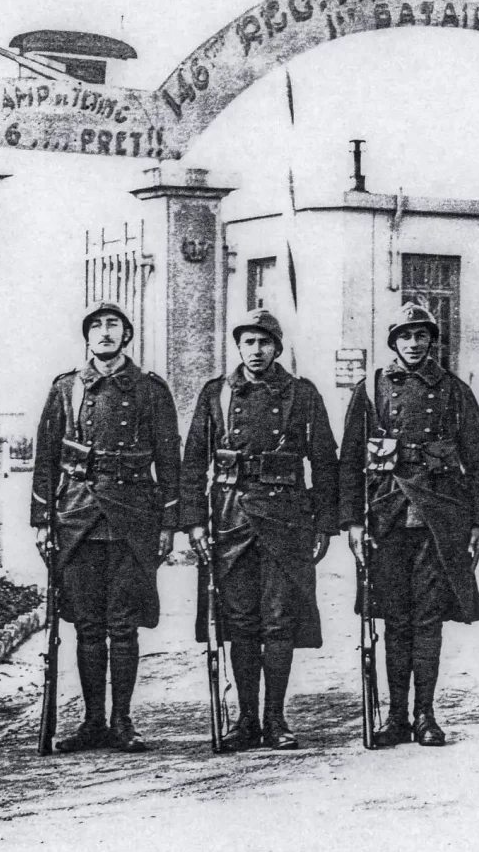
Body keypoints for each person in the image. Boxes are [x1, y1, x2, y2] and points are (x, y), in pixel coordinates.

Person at [182, 310, 337, 751]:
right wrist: (193, 521)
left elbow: (325, 460)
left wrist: (323, 522)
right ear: (239, 347)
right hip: (230, 518)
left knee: (278, 621)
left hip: (287, 519)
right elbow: (194, 460)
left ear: (277, 348)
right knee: (240, 621)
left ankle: (276, 718)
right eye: (248, 342)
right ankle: (246, 719)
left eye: (264, 343)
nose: (256, 351)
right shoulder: (216, 394)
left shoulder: (302, 395)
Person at [339, 302, 479, 747]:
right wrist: (351, 521)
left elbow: (478, 459)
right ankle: (395, 717)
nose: (413, 343)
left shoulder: (454, 391)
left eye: (421, 335)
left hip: (439, 517)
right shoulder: (370, 389)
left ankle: (426, 715)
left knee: (428, 619)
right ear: (393, 342)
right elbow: (350, 459)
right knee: (394, 619)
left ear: (432, 341)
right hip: (385, 514)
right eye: (405, 336)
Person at [31, 301, 181, 752]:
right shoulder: (66, 388)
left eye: (113, 325)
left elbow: (169, 461)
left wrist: (168, 521)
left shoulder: (151, 390)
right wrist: (42, 520)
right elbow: (46, 459)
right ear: (87, 337)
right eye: (96, 326)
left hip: (133, 518)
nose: (105, 332)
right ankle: (92, 721)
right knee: (87, 626)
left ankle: (122, 721)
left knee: (123, 625)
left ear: (127, 335)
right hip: (77, 518)